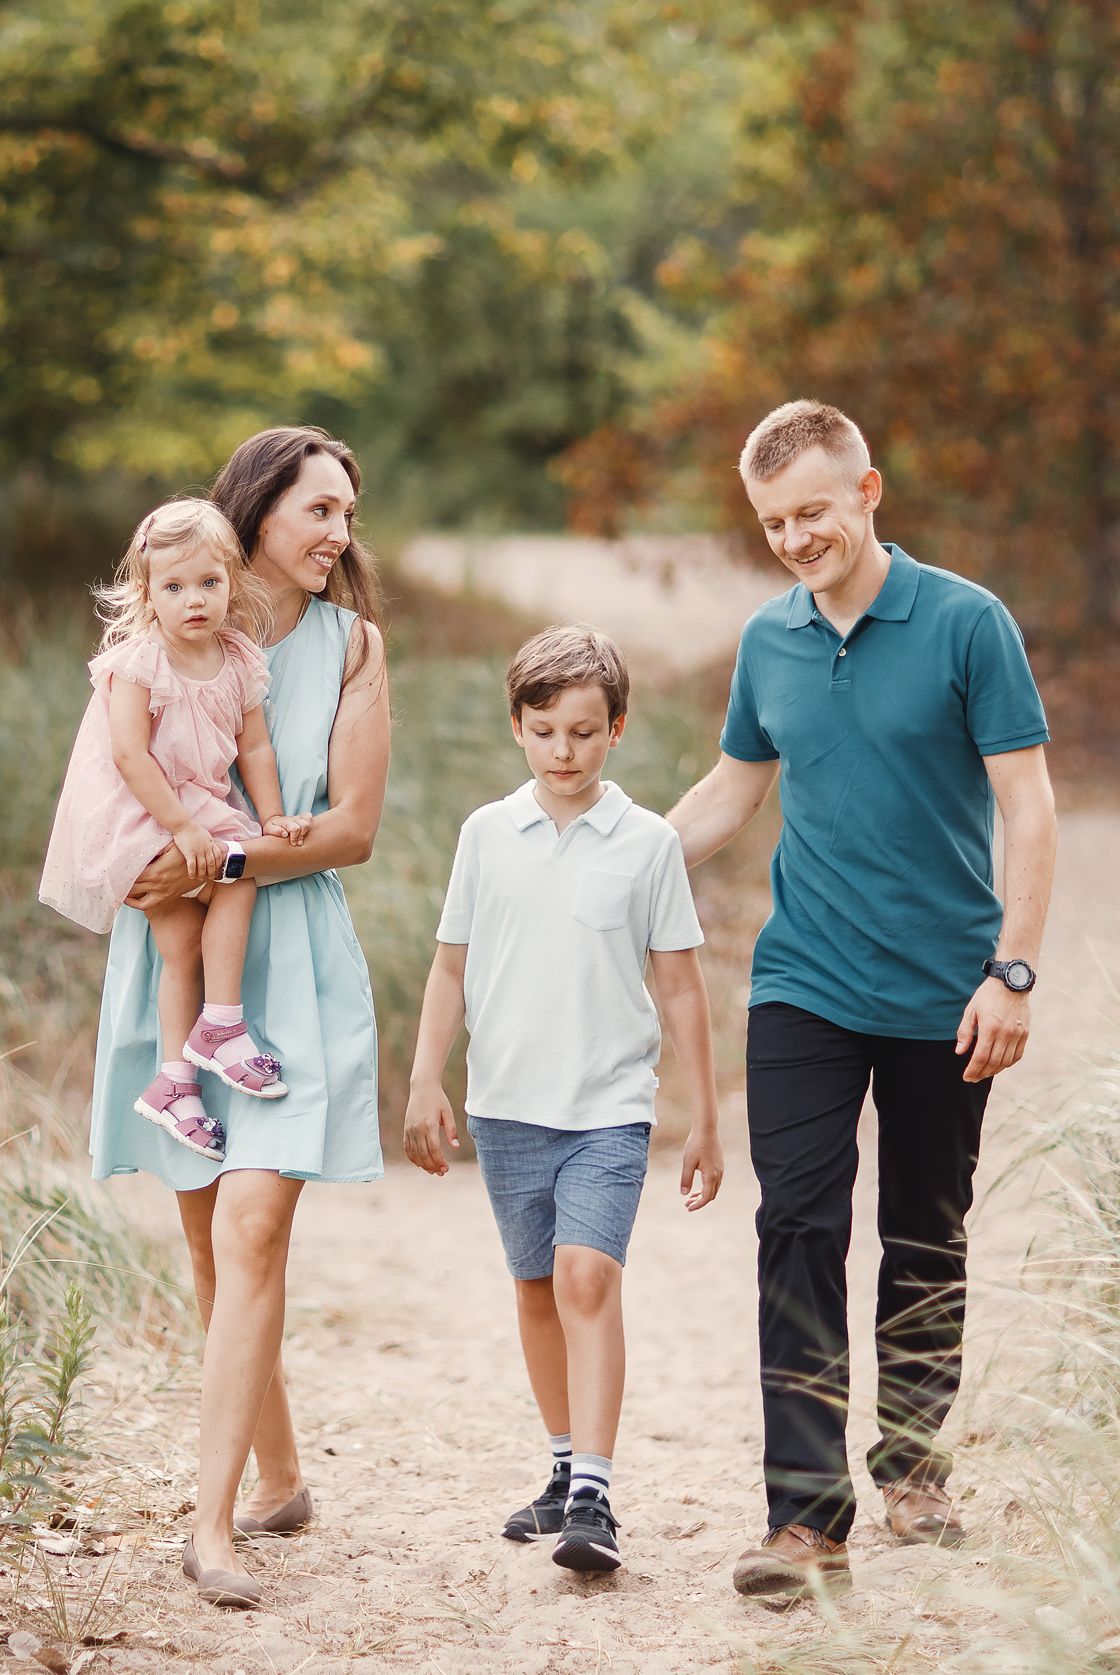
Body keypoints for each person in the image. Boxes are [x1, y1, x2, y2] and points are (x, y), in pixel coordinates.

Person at [662, 400, 1059, 1598]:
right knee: (796, 1226)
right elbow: (734, 787)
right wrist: (606, 862)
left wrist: (1013, 973)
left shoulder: (965, 623)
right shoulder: (768, 641)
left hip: (948, 991)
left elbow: (1027, 807)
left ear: (868, 491)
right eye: (774, 521)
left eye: (813, 512)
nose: (795, 538)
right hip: (804, 982)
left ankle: (915, 1467)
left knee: (924, 1230)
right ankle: (803, 1516)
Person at [85, 427, 391, 1609]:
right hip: (177, 944)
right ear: (256, 508)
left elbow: (352, 828)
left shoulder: (352, 645)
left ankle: (206, 1528)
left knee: (257, 1231)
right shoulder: (155, 640)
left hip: (289, 949)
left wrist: (221, 856)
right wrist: (152, 869)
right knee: (212, 1241)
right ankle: (279, 1473)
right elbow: (106, 795)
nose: (338, 535)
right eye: (319, 509)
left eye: (348, 516)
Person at [403, 624, 723, 1576]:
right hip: (507, 1104)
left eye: (585, 732)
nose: (565, 751)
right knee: (537, 1286)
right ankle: (557, 1467)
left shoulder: (648, 842)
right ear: (518, 728)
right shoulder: (485, 836)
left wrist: (705, 1114)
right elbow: (450, 968)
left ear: (617, 729)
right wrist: (426, 1075)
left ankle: (595, 1490)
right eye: (545, 732)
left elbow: (679, 987)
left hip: (610, 1106)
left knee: (588, 1276)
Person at [39, 499, 313, 1158]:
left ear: (231, 583)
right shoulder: (139, 662)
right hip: (144, 814)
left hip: (195, 812)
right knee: (237, 876)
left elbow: (256, 751)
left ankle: (174, 1079)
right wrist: (185, 828)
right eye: (175, 586)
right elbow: (130, 754)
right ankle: (221, 1025)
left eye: (209, 583)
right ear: (148, 594)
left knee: (183, 941)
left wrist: (271, 815)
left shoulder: (240, 659)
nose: (195, 599)